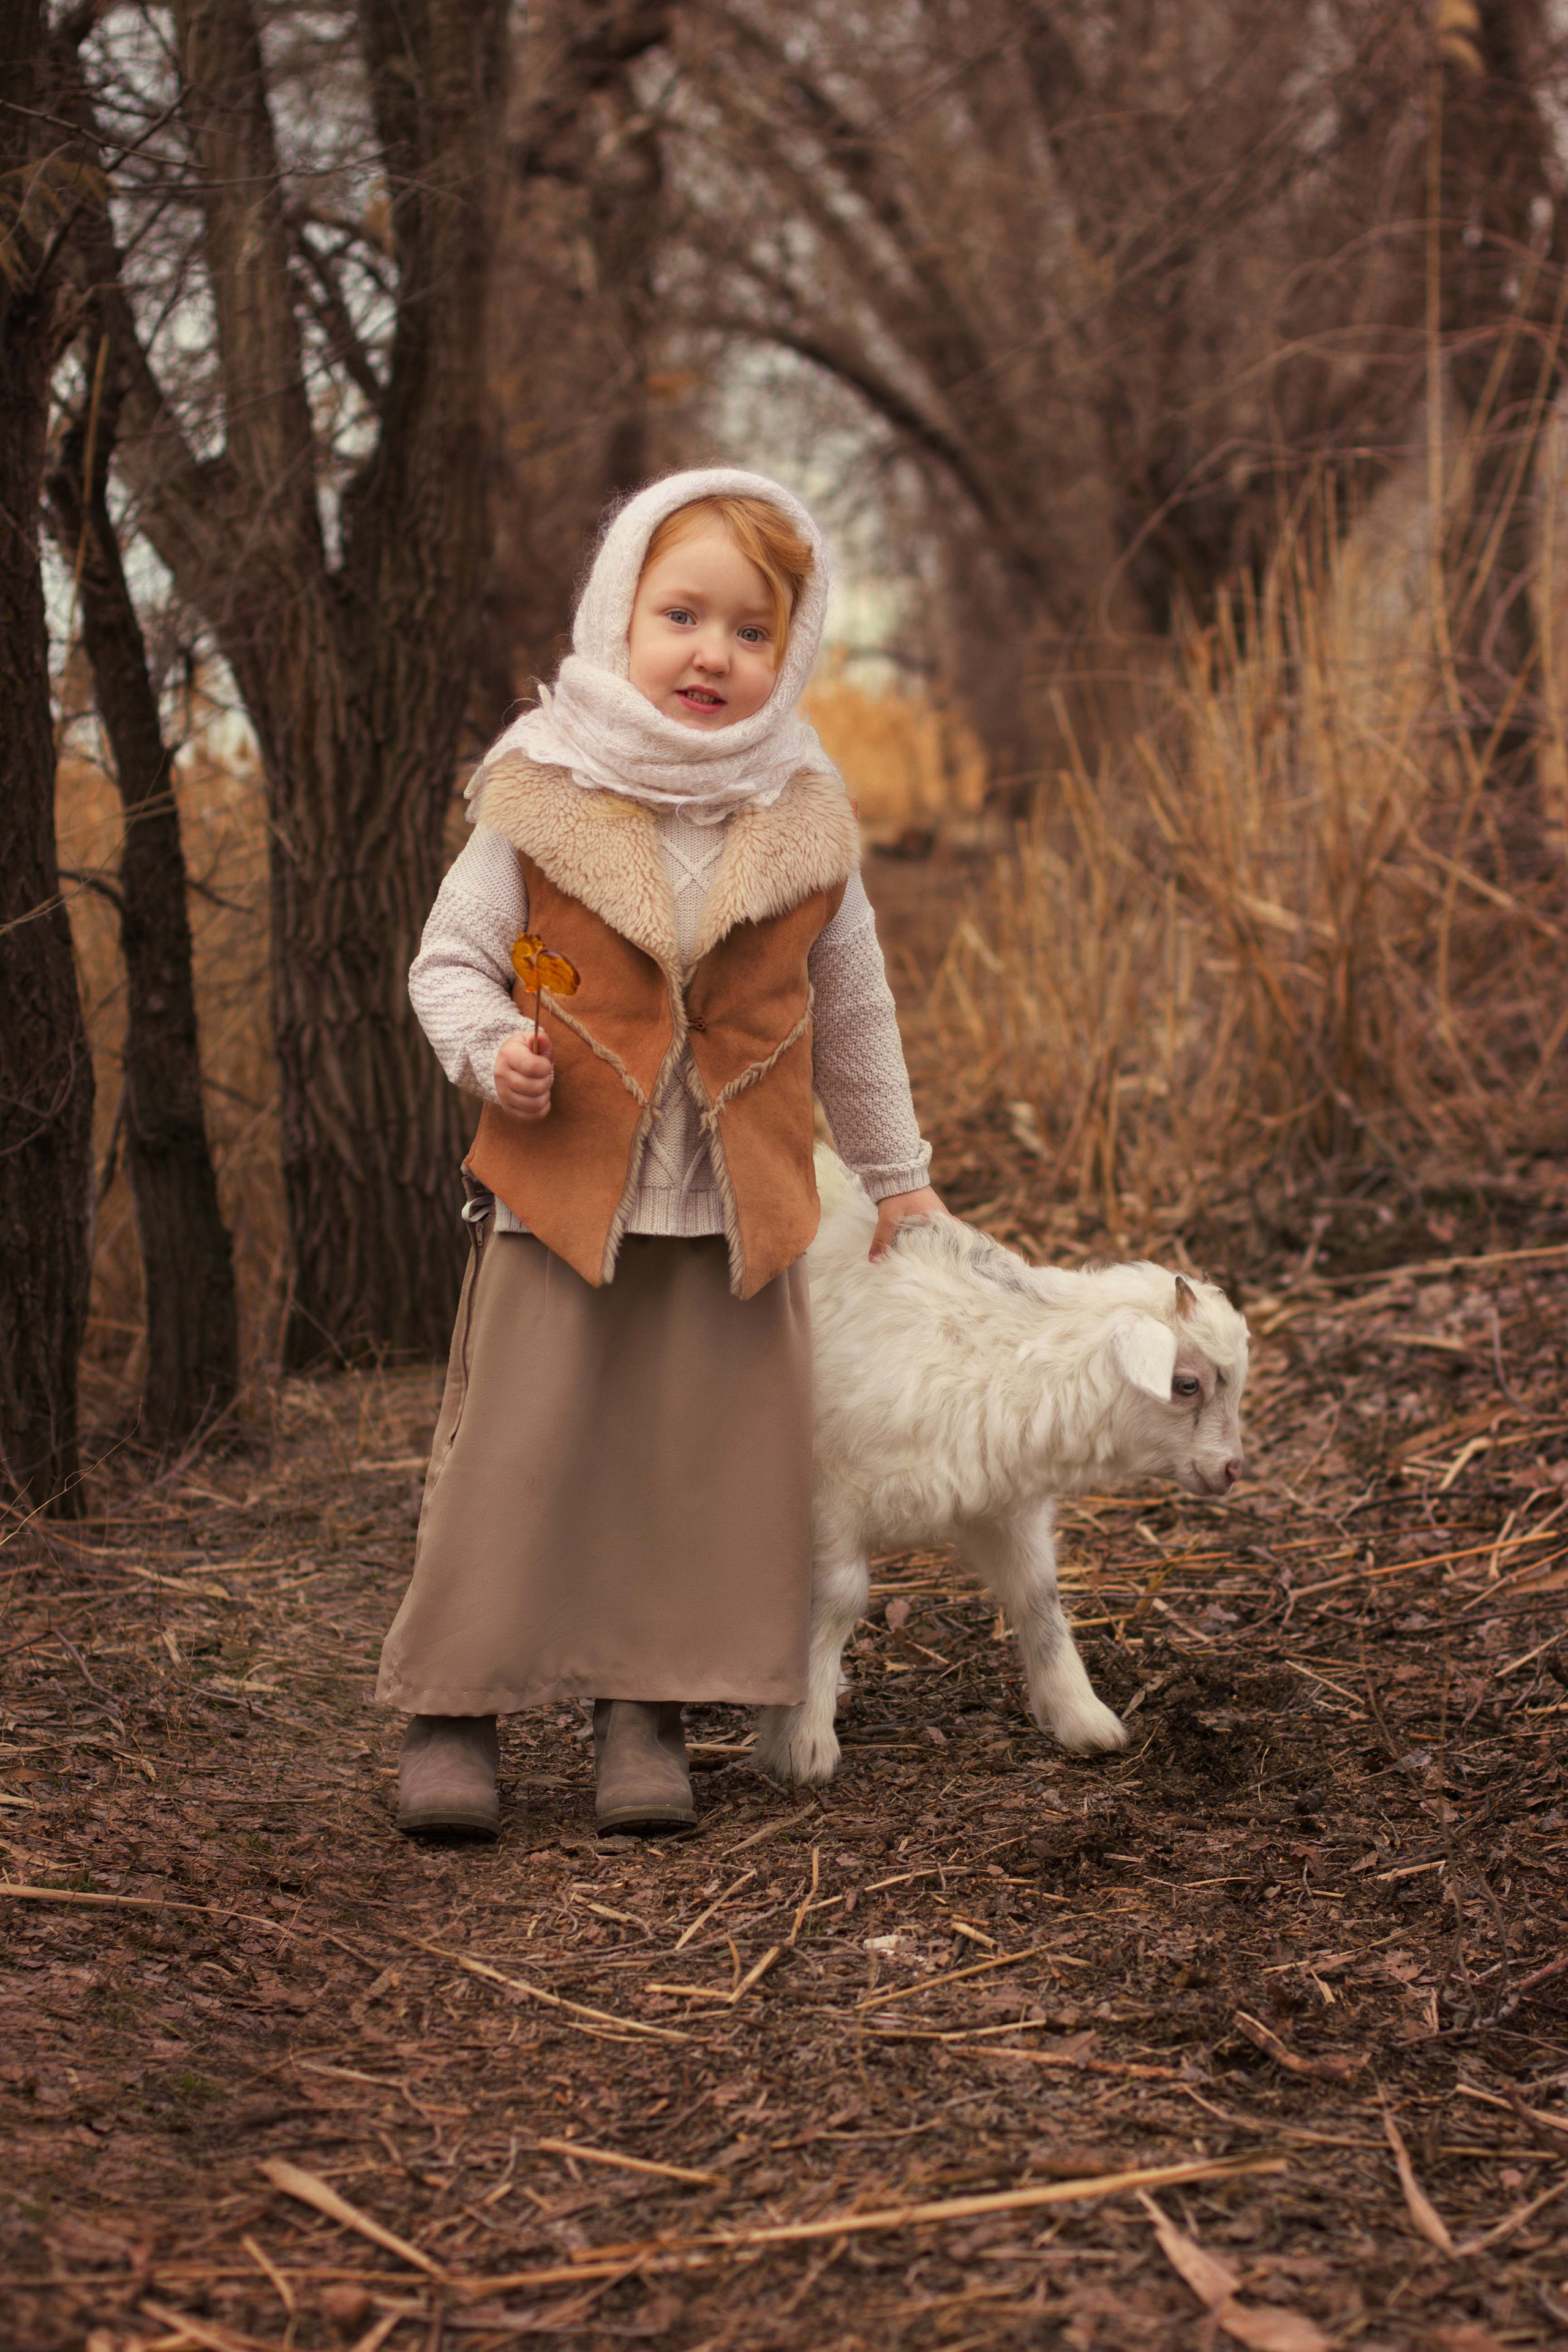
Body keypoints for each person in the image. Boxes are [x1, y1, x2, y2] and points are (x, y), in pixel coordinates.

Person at [376, 467, 941, 1837]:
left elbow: (851, 1016)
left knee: (695, 1462)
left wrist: (899, 1175)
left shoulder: (801, 823)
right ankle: (456, 1709)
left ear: (790, 654)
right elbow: (450, 965)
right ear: (617, 615)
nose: (713, 654)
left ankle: (649, 1707)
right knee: (518, 1448)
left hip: (729, 1211)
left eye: (753, 633)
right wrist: (487, 1050)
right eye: (681, 615)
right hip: (562, 1196)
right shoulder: (543, 798)